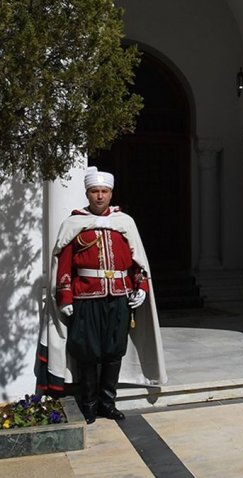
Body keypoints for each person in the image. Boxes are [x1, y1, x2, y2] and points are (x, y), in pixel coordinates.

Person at [37, 166, 166, 423]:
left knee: (113, 351)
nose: (99, 196)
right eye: (95, 191)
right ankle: (89, 403)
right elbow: (63, 265)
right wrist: (65, 298)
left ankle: (107, 402)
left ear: (111, 193)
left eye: (104, 191)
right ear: (87, 193)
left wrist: (141, 287)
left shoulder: (124, 222)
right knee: (88, 352)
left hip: (119, 296)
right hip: (85, 298)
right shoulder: (74, 223)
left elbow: (137, 260)